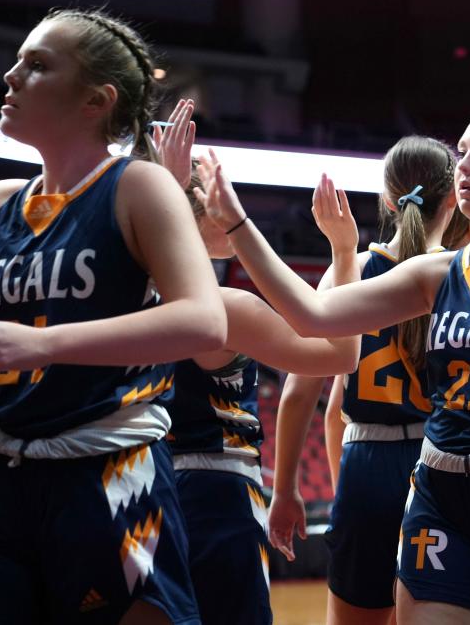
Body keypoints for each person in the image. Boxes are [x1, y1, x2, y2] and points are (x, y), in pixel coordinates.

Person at [196, 100, 470, 624]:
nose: (465, 164)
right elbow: (313, 315)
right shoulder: (437, 273)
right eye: (462, 152)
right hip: (442, 491)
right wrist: (237, 223)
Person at [0, 9, 228, 624]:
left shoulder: (138, 186)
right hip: (10, 468)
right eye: (18, 62)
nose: (12, 77)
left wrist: (41, 344)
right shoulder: (3, 202)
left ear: (95, 101)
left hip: (108, 470)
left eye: (38, 65)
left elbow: (205, 322)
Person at [152, 101, 361, 625]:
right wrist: (343, 253)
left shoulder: (132, 294)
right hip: (215, 492)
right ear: (208, 216)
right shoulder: (222, 306)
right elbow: (340, 353)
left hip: (142, 483)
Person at [268, 135, 461, 625]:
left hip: (368, 461)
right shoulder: (462, 277)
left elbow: (302, 396)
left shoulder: (348, 271)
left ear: (388, 200)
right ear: (455, 197)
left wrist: (287, 488)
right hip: (445, 464)